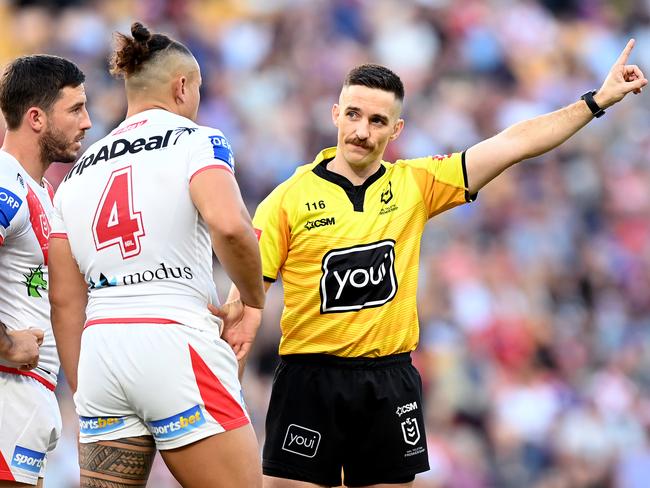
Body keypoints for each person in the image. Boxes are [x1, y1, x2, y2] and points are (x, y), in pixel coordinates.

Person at [218, 40, 646, 487]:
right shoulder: (287, 200)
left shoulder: (415, 184)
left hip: (388, 378)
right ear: (335, 114)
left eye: (377, 120)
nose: (362, 130)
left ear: (396, 129)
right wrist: (234, 375)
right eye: (353, 115)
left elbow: (511, 145)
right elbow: (248, 296)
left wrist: (596, 100)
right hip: (310, 377)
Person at [48, 22, 265, 488]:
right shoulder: (197, 140)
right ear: (182, 86)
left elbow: (65, 299)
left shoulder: (77, 172)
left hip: (102, 351)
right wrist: (253, 300)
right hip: (174, 340)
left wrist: (88, 389)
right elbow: (230, 226)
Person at [0, 55, 91, 487]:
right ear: (36, 118)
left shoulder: (42, 191)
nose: (87, 122)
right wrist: (3, 343)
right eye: (74, 109)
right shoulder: (5, 185)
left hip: (30, 399)